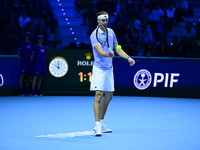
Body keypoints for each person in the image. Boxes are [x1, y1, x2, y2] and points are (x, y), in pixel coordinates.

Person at [90, 11, 135, 136]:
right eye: (103, 20)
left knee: (109, 96)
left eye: (107, 20)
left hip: (109, 68)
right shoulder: (94, 35)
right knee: (98, 95)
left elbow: (117, 47)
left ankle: (102, 123)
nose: (105, 22)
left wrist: (128, 57)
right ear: (98, 21)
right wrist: (107, 54)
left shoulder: (111, 32)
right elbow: (99, 51)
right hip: (99, 68)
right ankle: (97, 125)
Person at [18, 31, 34, 96]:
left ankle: (27, 90)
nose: (27, 37)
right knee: (22, 76)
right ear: (24, 36)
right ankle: (20, 90)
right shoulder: (22, 43)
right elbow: (18, 52)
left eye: (28, 36)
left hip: (29, 62)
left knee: (28, 76)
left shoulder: (31, 44)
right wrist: (20, 60)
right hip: (23, 61)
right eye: (26, 35)